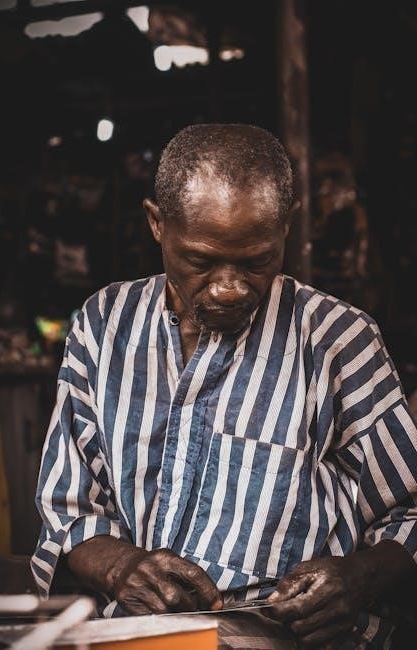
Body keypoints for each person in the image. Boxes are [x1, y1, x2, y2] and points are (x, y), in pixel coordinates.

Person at [31, 124, 417, 649]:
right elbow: (69, 508)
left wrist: (357, 579)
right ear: (157, 224)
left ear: (287, 227)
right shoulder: (103, 325)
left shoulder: (339, 340)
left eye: (257, 261)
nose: (230, 288)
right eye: (201, 261)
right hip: (133, 638)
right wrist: (121, 566)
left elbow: (407, 513)